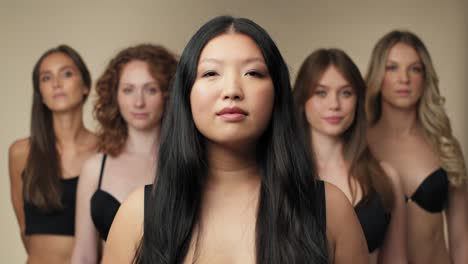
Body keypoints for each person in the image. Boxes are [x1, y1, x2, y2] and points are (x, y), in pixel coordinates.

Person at [102, 16, 368, 264]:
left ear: (277, 93)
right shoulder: (138, 215)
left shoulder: (330, 209)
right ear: (186, 95)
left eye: (252, 73)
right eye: (210, 73)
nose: (231, 90)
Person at [293, 48, 407, 263]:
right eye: (321, 92)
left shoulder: (386, 178)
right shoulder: (279, 174)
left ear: (358, 100)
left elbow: (396, 259)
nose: (334, 105)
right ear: (301, 99)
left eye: (346, 93)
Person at [366, 30, 468, 263]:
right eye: (392, 68)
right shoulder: (360, 145)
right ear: (377, 75)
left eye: (415, 68)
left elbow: (461, 238)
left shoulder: (445, 146)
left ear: (425, 77)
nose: (404, 79)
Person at [71, 44, 177, 263]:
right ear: (114, 96)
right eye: (128, 89)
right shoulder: (95, 168)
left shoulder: (186, 163)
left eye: (151, 89)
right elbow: (83, 255)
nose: (139, 102)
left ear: (168, 94)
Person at [8, 45, 97, 263]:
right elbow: (24, 227)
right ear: (40, 94)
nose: (56, 84)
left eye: (66, 73)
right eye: (46, 78)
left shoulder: (106, 150)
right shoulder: (21, 152)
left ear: (85, 85)